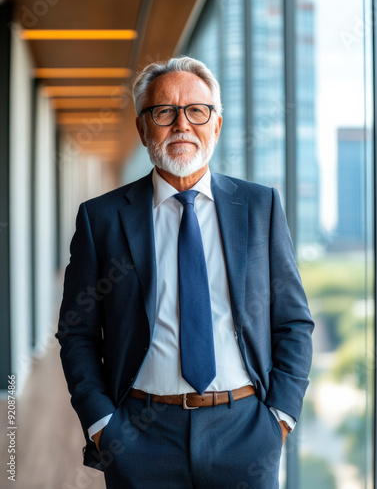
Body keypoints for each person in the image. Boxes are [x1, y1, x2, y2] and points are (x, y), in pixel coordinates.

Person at [56, 56, 314, 489]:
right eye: (164, 112)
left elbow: (293, 320)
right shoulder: (100, 219)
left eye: (197, 110)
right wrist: (102, 424)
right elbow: (76, 332)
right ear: (142, 128)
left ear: (216, 124)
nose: (182, 125)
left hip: (246, 432)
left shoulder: (259, 207)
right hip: (138, 435)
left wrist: (280, 419)